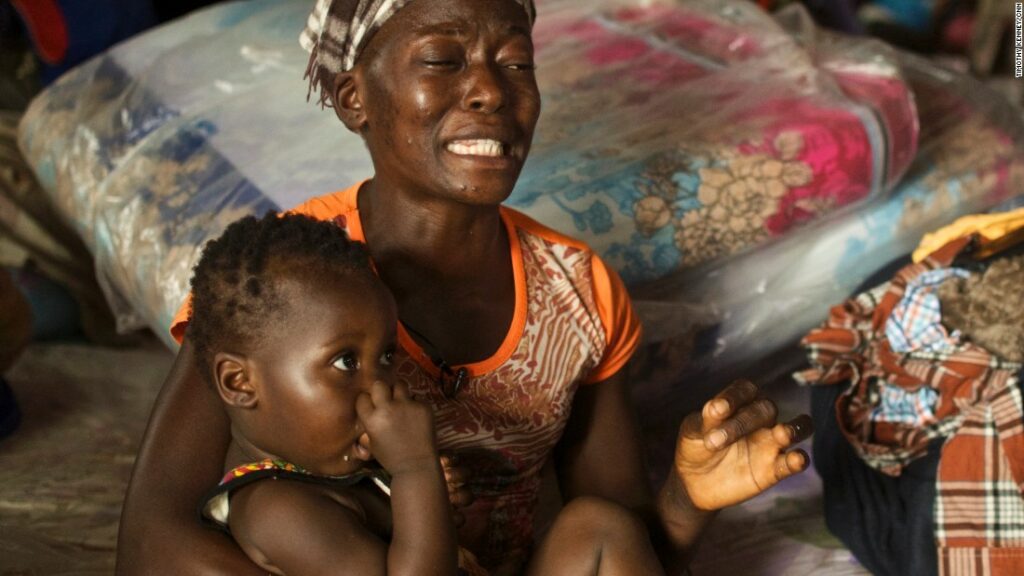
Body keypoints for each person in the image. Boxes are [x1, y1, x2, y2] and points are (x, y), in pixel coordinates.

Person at [116, 0, 813, 573]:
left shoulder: (579, 293)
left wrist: (689, 501)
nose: (490, 90)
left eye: (516, 62)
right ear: (356, 98)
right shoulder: (285, 279)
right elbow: (152, 539)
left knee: (595, 526)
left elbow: (625, 551)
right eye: (442, 60)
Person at [187, 211, 664, 576]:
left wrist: (421, 491)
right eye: (345, 362)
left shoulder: (326, 470)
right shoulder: (277, 510)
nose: (382, 385)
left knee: (599, 527)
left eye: (388, 357)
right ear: (239, 383)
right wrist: (415, 470)